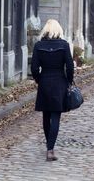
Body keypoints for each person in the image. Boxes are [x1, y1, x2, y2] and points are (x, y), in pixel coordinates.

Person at [31, 19, 74, 162]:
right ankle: (50, 149)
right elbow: (70, 66)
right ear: (58, 30)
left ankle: (49, 146)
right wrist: (68, 81)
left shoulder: (38, 45)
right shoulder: (64, 45)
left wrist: (38, 79)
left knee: (45, 115)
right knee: (55, 116)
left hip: (44, 81)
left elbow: (34, 68)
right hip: (59, 81)